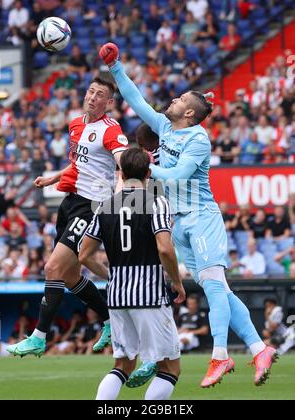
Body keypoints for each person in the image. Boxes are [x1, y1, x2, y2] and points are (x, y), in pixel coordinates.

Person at [99, 42, 278, 388]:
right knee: (221, 292)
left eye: (179, 100)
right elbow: (137, 101)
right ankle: (259, 349)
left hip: (201, 217)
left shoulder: (198, 139)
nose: (173, 101)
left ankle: (221, 356)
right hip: (179, 223)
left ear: (190, 114)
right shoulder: (166, 128)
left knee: (213, 289)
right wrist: (116, 67)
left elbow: (179, 175)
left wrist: (147, 166)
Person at [7, 76, 129, 357]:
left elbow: (122, 162)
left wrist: (122, 193)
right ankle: (111, 316)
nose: (93, 97)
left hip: (92, 206)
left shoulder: (112, 130)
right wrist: (52, 179)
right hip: (70, 203)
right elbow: (78, 163)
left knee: (53, 268)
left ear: (109, 102)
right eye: (91, 91)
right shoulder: (76, 124)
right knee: (72, 276)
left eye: (100, 94)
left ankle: (39, 337)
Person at [79, 147, 185, 400]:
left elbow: (84, 256)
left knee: (123, 365)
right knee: (170, 367)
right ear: (148, 173)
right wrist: (178, 283)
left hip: (116, 296)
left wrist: (111, 275)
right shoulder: (156, 202)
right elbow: (165, 249)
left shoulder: (104, 206)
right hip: (149, 294)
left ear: (121, 173)